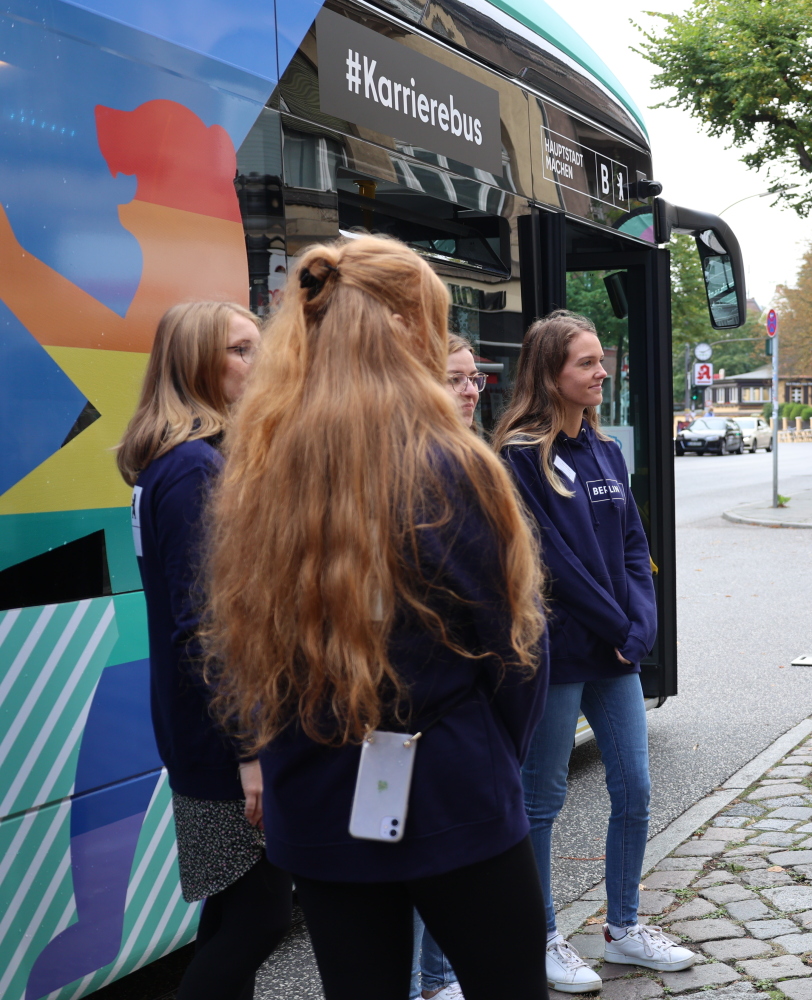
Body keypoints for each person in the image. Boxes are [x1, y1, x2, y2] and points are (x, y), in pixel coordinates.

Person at [204, 237, 551, 1000]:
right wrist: (494, 758)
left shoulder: (258, 470)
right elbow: (515, 654)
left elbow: (239, 647)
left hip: (318, 792)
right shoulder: (452, 465)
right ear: (407, 327)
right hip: (453, 784)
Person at [494, 310, 693, 994]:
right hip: (557, 659)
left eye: (601, 360)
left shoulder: (606, 452)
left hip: (616, 653)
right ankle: (541, 935)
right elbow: (552, 566)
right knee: (541, 800)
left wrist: (643, 622)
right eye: (586, 363)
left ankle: (624, 927)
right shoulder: (521, 456)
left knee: (634, 788)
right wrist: (621, 624)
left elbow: (635, 547)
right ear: (551, 374)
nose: (601, 372)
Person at [116, 301, 293, 1000]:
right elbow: (204, 626)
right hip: (224, 739)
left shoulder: (175, 462)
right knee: (259, 918)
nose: (260, 363)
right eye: (241, 350)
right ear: (196, 363)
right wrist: (250, 749)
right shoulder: (192, 469)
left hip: (203, 731)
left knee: (230, 913)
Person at [403, 331, 490, 1000]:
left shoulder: (470, 461)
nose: (468, 390)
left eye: (473, 379)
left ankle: (435, 982)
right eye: (455, 378)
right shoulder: (430, 474)